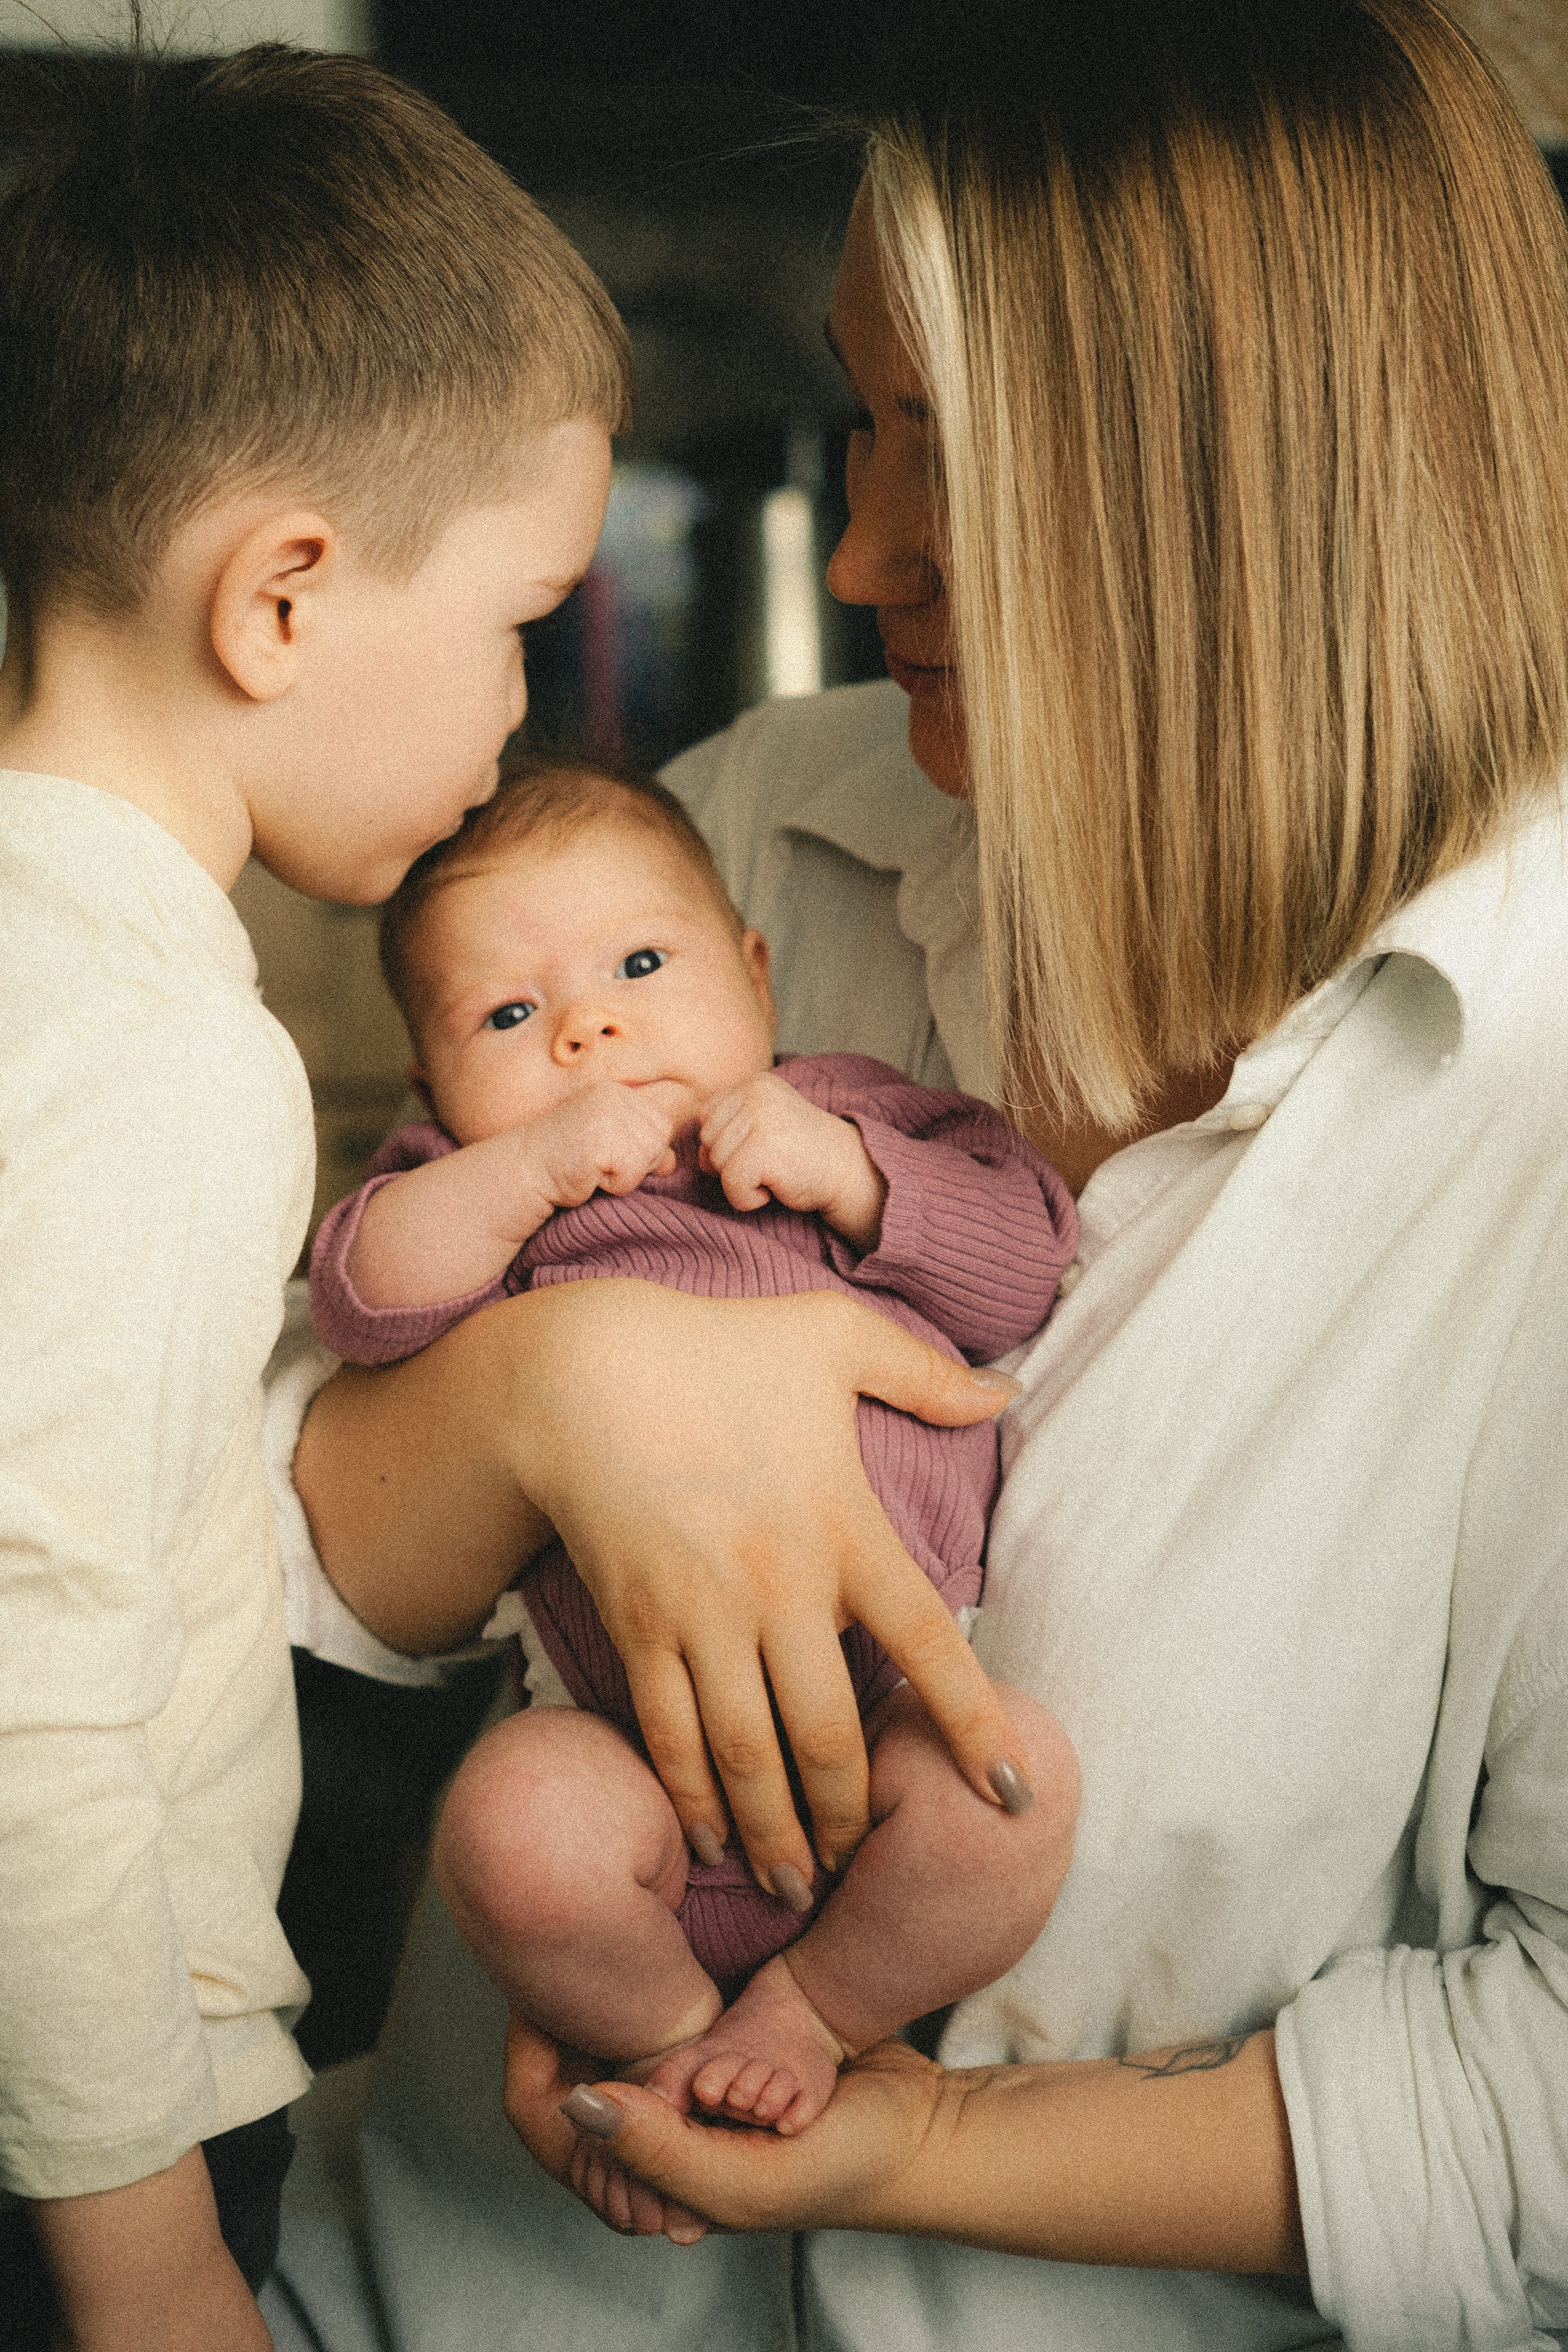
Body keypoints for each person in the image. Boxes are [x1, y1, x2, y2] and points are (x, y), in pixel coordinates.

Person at [267, 1, 1568, 2344]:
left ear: (1228, 489)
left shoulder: (1537, 1118)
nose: (860, 549)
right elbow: (234, 1533)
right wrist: (556, 1396)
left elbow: (1548, 2097)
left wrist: (914, 2141)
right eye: (860, 426)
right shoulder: (755, 830)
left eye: (931, 446)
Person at [0, 41, 626, 2352]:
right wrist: (154, 2266)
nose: (521, 715)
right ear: (279, 598)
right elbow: (26, 1712)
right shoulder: (158, 1054)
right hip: (95, 2161)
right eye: (514, 623)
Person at [305, 753, 1076, 2176]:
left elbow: (1026, 1257)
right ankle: (663, 2048)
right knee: (510, 1829)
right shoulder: (473, 1187)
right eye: (509, 1013)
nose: (590, 1027)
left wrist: (848, 1169)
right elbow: (361, 1297)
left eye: (642, 963)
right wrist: (522, 1172)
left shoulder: (855, 1110)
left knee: (1013, 1787)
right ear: (432, 1077)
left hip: (896, 1696)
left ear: (755, 971)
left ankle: (804, 2014)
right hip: (628, 1755)